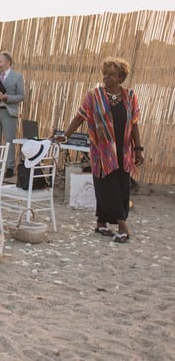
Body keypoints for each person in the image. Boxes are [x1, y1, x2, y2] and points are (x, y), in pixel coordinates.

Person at [53, 57, 143, 243]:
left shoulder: (130, 96)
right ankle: (122, 225)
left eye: (111, 75)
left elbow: (134, 124)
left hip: (124, 151)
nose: (106, 78)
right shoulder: (94, 96)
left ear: (121, 77)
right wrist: (67, 135)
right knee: (106, 187)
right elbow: (80, 117)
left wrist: (139, 149)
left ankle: (101, 223)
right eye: (105, 74)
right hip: (102, 152)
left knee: (121, 186)